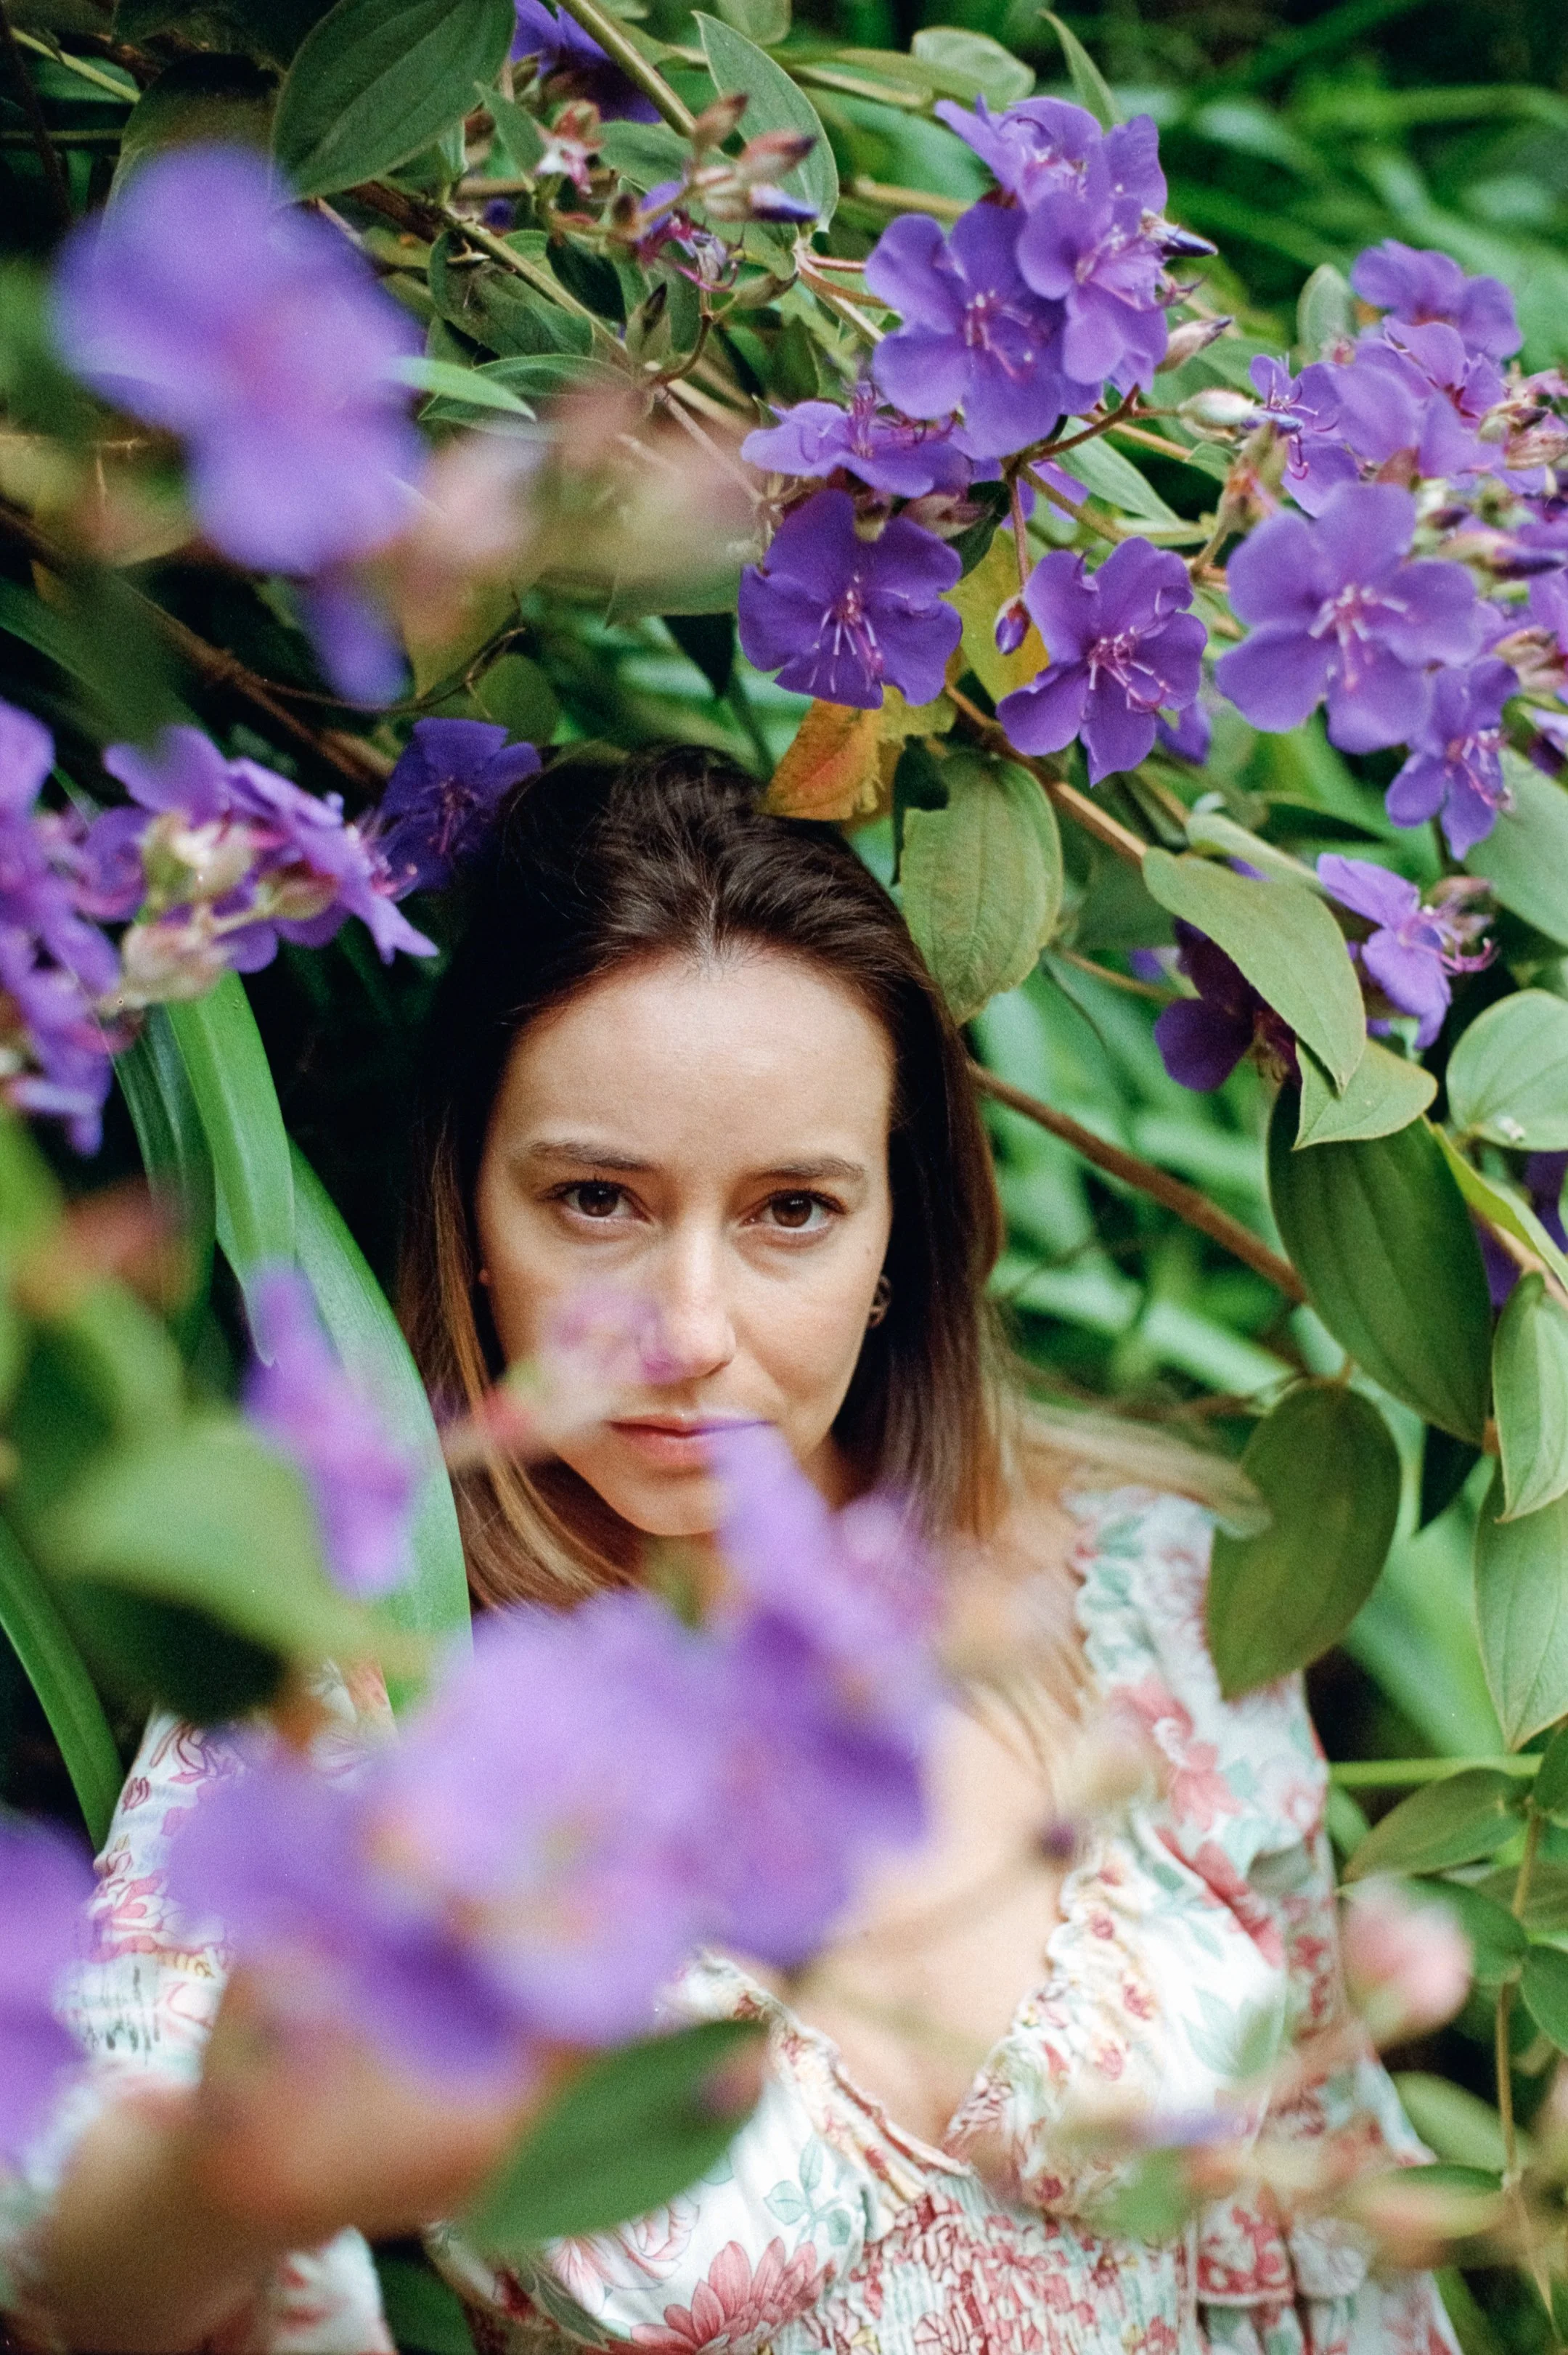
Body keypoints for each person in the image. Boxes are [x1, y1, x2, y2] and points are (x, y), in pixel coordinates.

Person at [4, 750, 1455, 2355]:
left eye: (790, 1211)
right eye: (600, 1198)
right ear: (470, 1216)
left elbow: (1333, 2258)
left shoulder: (1142, 1592)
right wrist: (235, 2174)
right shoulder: (358, 1691)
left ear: (899, 1225)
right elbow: (79, 2257)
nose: (688, 1331)